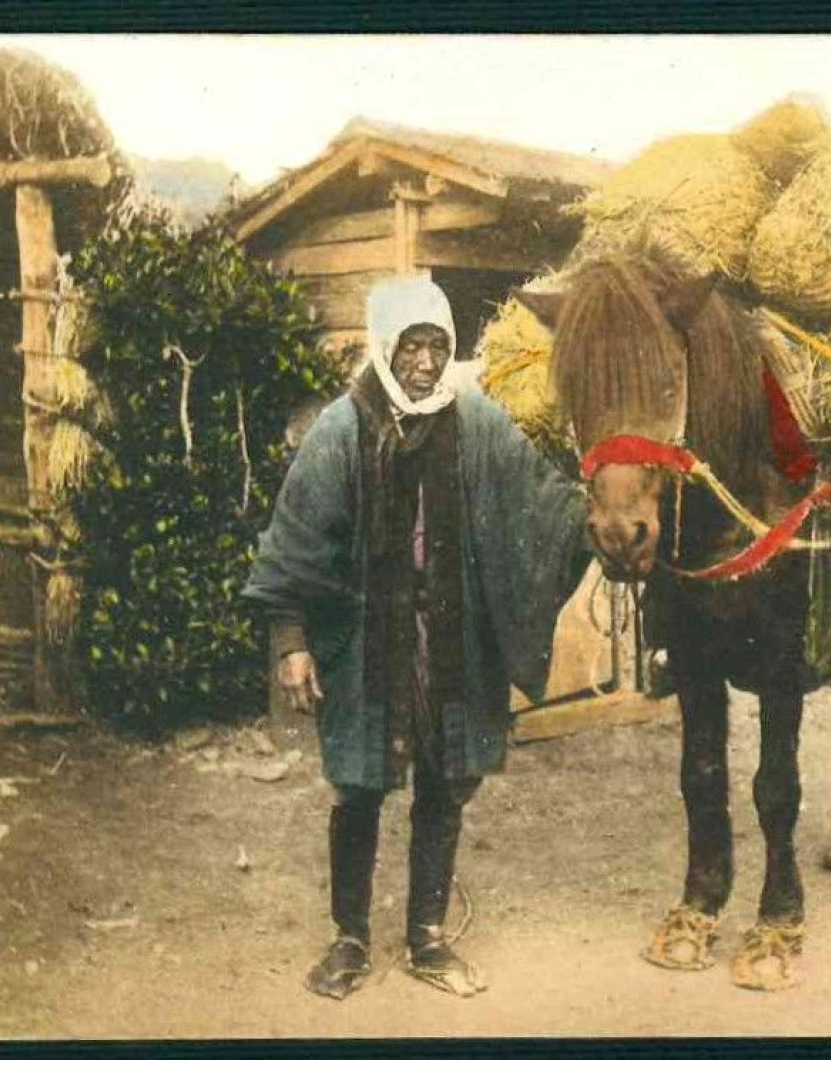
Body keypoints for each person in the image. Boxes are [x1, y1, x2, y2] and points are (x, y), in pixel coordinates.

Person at [243, 276, 589, 1000]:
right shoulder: (342, 430)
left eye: (438, 347)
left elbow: (542, 498)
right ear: (383, 347)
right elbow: (295, 543)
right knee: (360, 785)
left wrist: (605, 513)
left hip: (452, 639)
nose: (426, 365)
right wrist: (290, 640)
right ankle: (349, 936)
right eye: (412, 347)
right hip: (367, 641)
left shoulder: (478, 423)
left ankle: (427, 937)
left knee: (445, 780)